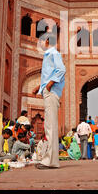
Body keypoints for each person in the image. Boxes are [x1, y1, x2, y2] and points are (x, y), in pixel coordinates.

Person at [32, 33, 66, 170]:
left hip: (51, 92)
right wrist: (39, 87)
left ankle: (50, 161)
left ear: (46, 41)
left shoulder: (53, 54)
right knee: (49, 126)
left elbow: (61, 70)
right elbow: (50, 73)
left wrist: (50, 84)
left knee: (51, 126)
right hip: (48, 91)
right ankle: (50, 160)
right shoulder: (48, 55)